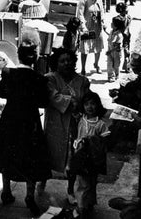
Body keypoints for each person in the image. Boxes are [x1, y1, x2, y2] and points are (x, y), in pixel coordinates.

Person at [0, 44, 51, 216]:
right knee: (31, 157)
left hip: (10, 119)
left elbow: (1, 93)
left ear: (18, 56)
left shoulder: (8, 73)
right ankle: (29, 196)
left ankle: (6, 191)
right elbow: (43, 102)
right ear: (35, 58)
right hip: (30, 121)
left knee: (7, 154)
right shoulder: (39, 78)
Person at [44, 48, 92, 204]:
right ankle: (41, 182)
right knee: (49, 154)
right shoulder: (50, 78)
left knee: (73, 158)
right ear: (56, 63)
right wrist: (71, 101)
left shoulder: (82, 81)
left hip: (75, 124)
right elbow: (52, 96)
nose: (66, 63)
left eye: (69, 60)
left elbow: (86, 100)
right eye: (62, 61)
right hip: (55, 124)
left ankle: (71, 190)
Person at [69, 92, 109, 219]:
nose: (90, 107)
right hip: (81, 156)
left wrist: (95, 139)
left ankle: (89, 204)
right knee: (82, 183)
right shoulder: (81, 119)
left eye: (93, 104)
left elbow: (105, 140)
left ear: (98, 105)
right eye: (86, 104)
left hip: (93, 158)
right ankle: (81, 207)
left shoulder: (100, 124)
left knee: (91, 182)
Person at [76, 0, 106, 75]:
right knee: (85, 48)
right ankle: (83, 69)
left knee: (98, 46)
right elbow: (80, 14)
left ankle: (96, 64)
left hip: (97, 26)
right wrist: (83, 26)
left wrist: (103, 22)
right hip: (87, 26)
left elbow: (102, 11)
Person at [114, 2, 133, 73]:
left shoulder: (118, 18)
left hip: (123, 37)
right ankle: (124, 66)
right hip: (122, 37)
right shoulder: (124, 18)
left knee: (125, 51)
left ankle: (126, 66)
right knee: (123, 51)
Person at [106, 16, 125, 82]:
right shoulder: (112, 31)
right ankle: (111, 76)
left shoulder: (119, 35)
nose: (111, 24)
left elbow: (118, 46)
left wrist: (110, 51)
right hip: (110, 51)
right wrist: (105, 30)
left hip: (116, 52)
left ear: (116, 26)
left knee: (116, 65)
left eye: (112, 23)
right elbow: (110, 36)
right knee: (109, 64)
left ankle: (116, 74)